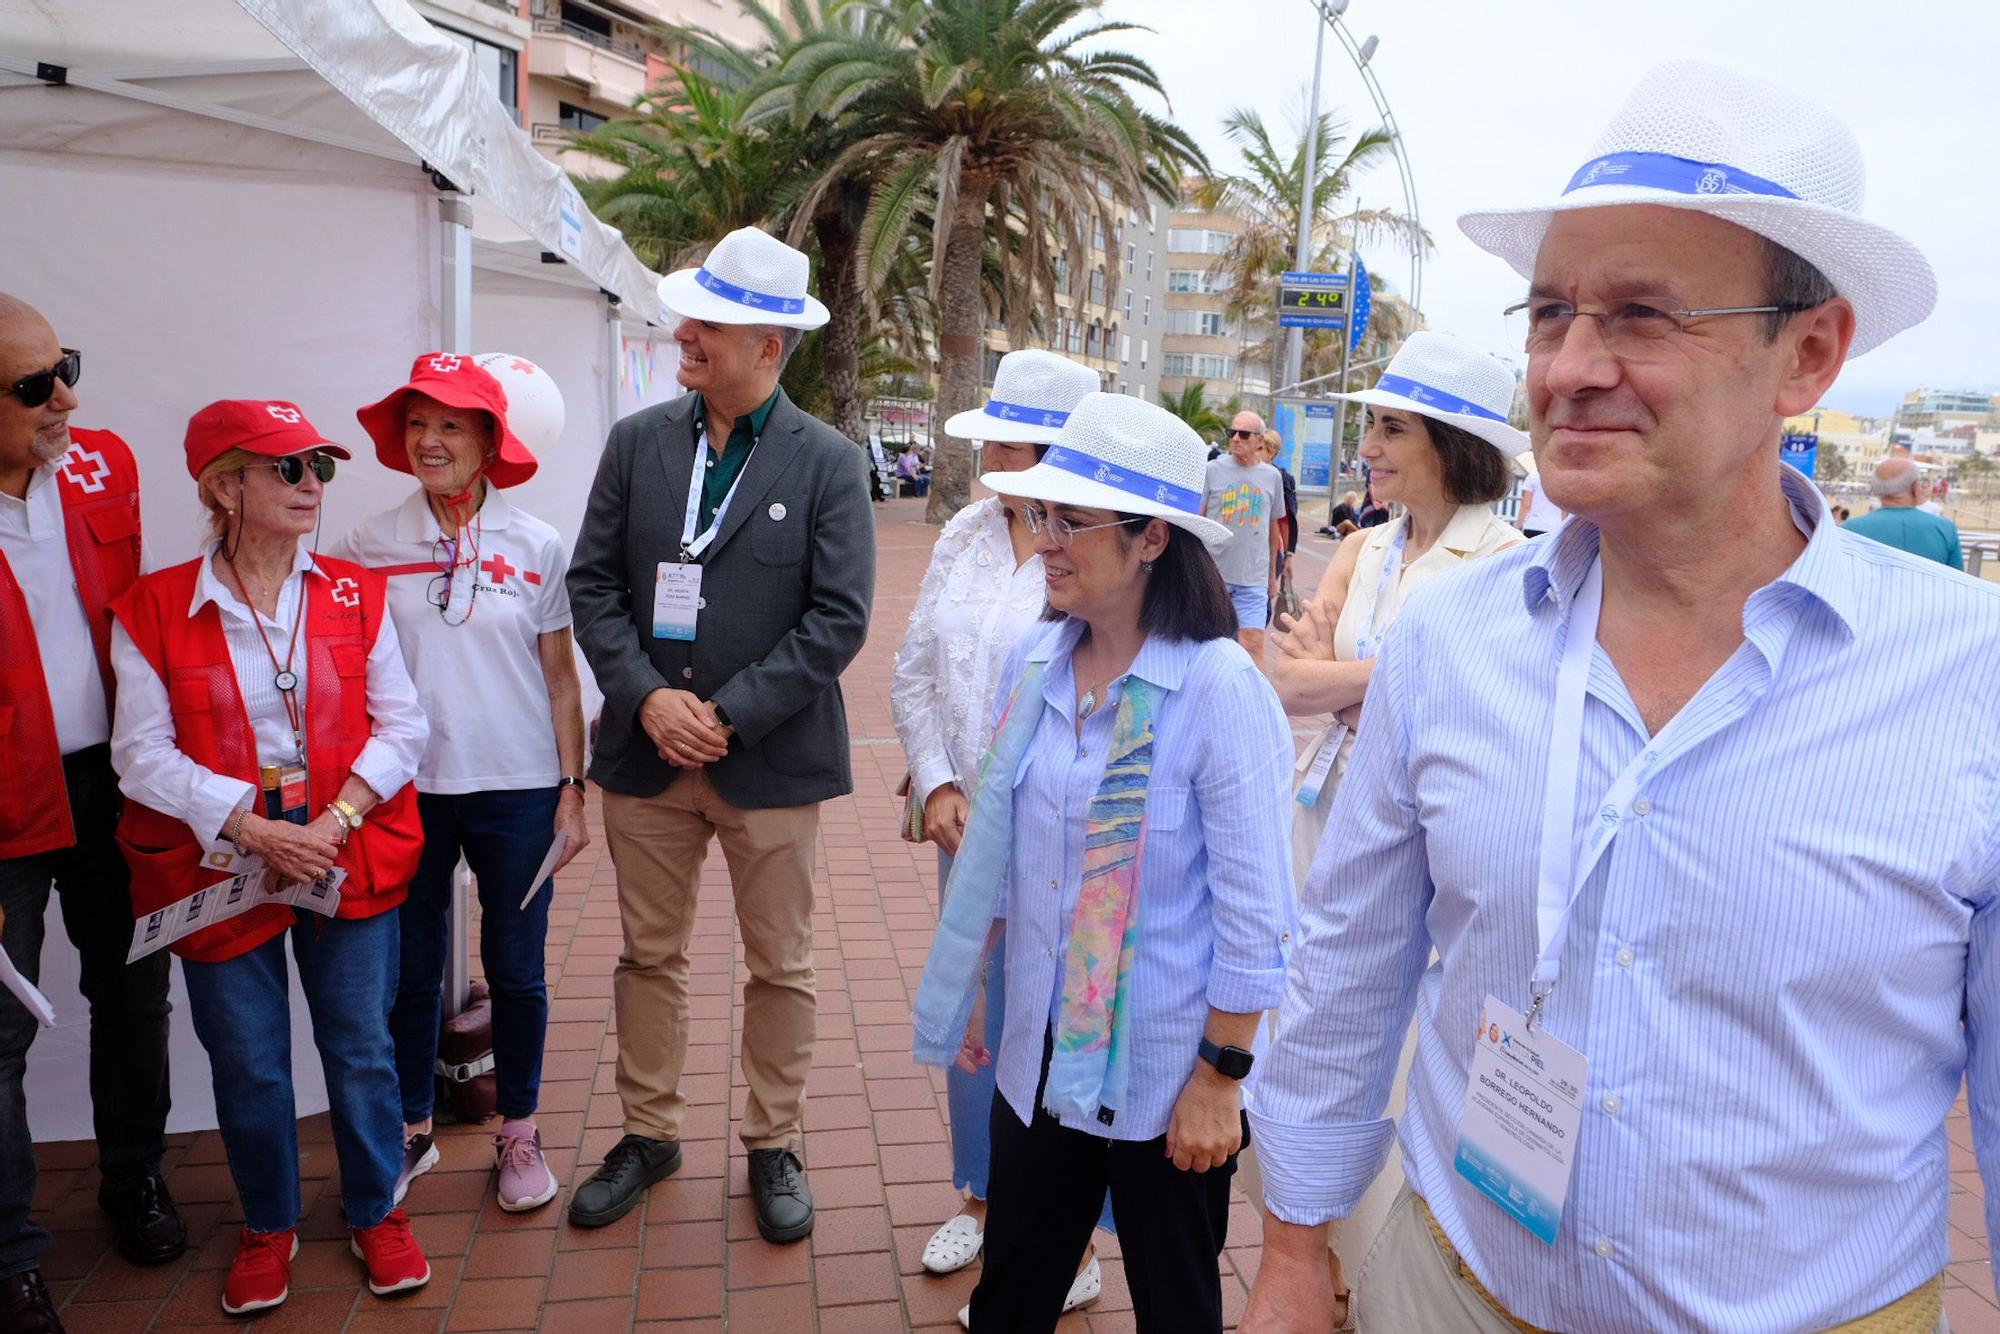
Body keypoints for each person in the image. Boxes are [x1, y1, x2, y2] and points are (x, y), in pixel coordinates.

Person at [1243, 61, 1988, 1334]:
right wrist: (1295, 1245)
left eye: (1640, 315)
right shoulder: (1450, 645)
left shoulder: (1966, 675)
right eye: (1546, 312)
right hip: (1447, 1284)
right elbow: (1349, 963)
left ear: (1805, 355)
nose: (1567, 366)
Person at [912, 392, 1295, 1333]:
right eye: (1041, 515)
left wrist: (1220, 1079)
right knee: (1012, 1295)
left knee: (1176, 1304)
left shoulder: (1218, 690)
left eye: (1069, 521)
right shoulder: (1038, 660)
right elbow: (1007, 848)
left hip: (1166, 1078)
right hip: (1034, 1052)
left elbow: (1256, 914)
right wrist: (977, 982)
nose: (1042, 540)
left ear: (1152, 540)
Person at [567, 227, 874, 1241]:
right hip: (644, 754)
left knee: (777, 963)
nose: (685, 334)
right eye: (690, 315)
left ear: (769, 348)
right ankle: (649, 1132)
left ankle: (771, 1139)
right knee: (646, 955)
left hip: (771, 759)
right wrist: (647, 696)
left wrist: (727, 713)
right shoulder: (637, 440)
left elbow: (839, 617)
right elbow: (592, 585)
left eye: (712, 323)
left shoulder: (827, 460)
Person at [108, 400, 432, 1315]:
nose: (311, 485)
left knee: (362, 1048)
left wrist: (328, 822)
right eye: (286, 468)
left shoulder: (355, 593)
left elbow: (404, 726)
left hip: (340, 851)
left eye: (318, 468)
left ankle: (378, 1209)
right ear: (222, 488)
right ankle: (269, 1224)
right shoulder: (151, 607)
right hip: (221, 866)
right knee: (249, 1061)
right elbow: (140, 753)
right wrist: (252, 827)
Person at [1250, 331, 1527, 1324]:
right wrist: (1367, 687)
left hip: (1421, 850)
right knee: (1308, 1011)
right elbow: (1288, 675)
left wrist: (1348, 684)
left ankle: (1365, 1267)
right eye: (1370, 422)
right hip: (1319, 815)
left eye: (1389, 426)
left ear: (1452, 444)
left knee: (1398, 1045)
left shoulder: (1502, 564)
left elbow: (1452, 702)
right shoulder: (1366, 546)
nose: (1365, 443)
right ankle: (1306, 1241)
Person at [329, 353, 588, 1214]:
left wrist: (573, 787)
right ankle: (410, 1128)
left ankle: (520, 1129)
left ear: (488, 439)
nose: (429, 441)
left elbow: (559, 677)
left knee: (515, 971)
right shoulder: (368, 543)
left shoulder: (536, 543)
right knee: (406, 972)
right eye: (416, 424)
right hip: (406, 791)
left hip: (519, 789)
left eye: (449, 424)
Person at [890, 349, 1109, 1317]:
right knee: (977, 1019)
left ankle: (1078, 1230)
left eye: (1005, 437)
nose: (986, 453)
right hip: (967, 833)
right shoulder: (969, 534)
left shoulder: (1093, 544)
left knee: (1066, 1022)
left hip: (1066, 836)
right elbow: (912, 668)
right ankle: (979, 1196)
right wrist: (935, 782)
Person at [0, 297, 178, 1334]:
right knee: (0, 1034)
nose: (66, 395)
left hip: (111, 778)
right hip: (5, 803)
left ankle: (133, 1177)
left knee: (133, 990)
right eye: (34, 385)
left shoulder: (103, 459)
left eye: (65, 366)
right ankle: (13, 1253)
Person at [1202, 409, 1283, 658]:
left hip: (1253, 578)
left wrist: (1272, 577)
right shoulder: (1213, 470)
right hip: (1214, 575)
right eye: (1232, 432)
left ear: (1259, 440)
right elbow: (1198, 517)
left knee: (1253, 643)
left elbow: (1273, 529)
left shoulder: (1272, 477)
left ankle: (1254, 697)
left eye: (1244, 434)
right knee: (1210, 645)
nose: (1236, 438)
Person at [1844, 457, 1963, 568]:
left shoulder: (1850, 528)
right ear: (1915, 488)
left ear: (1874, 489)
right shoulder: (1946, 529)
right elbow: (1959, 581)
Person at [1260, 429, 1299, 559]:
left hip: (1272, 548)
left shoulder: (1282, 480)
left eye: (1260, 449)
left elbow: (1285, 520)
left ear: (1272, 453)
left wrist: (1288, 555)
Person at [1514, 466, 1566, 538]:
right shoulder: (1562, 479)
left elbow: (1526, 505)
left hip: (1533, 525)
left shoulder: (1533, 477)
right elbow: (1564, 508)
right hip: (1554, 527)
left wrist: (1518, 526)